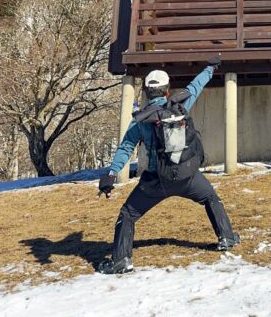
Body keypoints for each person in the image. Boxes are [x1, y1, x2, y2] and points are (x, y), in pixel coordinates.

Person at [97, 58, 239, 274]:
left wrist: (111, 174)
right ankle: (227, 238)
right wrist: (210, 68)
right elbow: (196, 86)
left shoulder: (140, 120)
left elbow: (126, 147)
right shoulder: (179, 106)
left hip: (156, 182)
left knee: (128, 214)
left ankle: (121, 260)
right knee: (211, 198)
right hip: (187, 176)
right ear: (167, 91)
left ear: (146, 92)